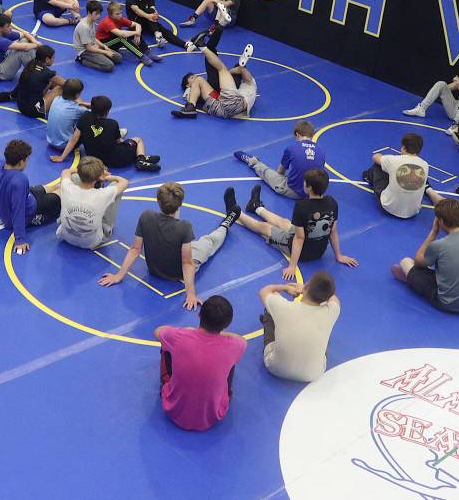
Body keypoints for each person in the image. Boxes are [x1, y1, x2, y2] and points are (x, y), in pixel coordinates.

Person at [99, 184, 241, 310]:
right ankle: (227, 222)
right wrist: (191, 294)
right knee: (209, 242)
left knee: (180, 236)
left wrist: (119, 275)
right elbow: (187, 263)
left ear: (158, 201)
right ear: (180, 204)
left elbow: (135, 249)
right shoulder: (184, 227)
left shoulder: (146, 216)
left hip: (154, 270)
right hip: (176, 273)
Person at [237, 170, 358, 280]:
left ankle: (236, 213)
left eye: (304, 183)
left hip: (303, 252)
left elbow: (299, 239)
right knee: (283, 222)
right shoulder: (331, 202)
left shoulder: (302, 206)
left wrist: (292, 266)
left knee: (264, 227)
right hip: (319, 250)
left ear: (309, 187)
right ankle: (256, 207)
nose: (303, 184)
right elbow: (333, 231)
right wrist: (339, 255)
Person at [153, 296, 246, 432]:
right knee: (230, 359)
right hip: (213, 415)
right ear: (226, 325)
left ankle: (167, 385)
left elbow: (157, 331)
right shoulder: (235, 344)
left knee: (166, 346)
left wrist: (187, 330)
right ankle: (227, 392)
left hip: (173, 410)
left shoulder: (179, 337)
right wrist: (224, 336)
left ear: (199, 315)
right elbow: (243, 341)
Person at [390, 199, 459, 313]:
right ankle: (415, 278)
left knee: (405, 262)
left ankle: (411, 279)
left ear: (440, 221)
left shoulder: (440, 245)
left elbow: (417, 261)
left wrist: (433, 232)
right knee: (444, 266)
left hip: (449, 303)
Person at [259, 272, 340, 382]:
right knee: (325, 328)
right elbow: (334, 299)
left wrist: (285, 287)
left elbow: (265, 291)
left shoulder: (284, 307)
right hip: (314, 374)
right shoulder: (332, 311)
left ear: (306, 287)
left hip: (276, 368)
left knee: (270, 309)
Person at [51, 95, 160, 172]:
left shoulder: (84, 118)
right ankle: (140, 159)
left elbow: (74, 139)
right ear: (107, 111)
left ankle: (141, 158)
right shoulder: (112, 124)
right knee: (138, 139)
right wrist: (127, 144)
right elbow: (118, 142)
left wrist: (62, 157)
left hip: (94, 157)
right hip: (115, 160)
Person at [234, 121, 325, 199]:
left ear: (297, 134)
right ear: (312, 134)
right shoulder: (321, 150)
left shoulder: (291, 148)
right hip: (314, 193)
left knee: (267, 172)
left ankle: (252, 161)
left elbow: (280, 172)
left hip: (295, 192)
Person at [171, 40, 257, 119]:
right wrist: (240, 68)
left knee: (222, 68)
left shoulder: (249, 85)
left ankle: (202, 47)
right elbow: (242, 77)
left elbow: (243, 77)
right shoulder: (249, 86)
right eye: (191, 77)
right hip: (220, 108)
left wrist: (241, 68)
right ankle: (190, 107)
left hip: (230, 104)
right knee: (202, 78)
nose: (195, 77)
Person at [55, 157, 129, 250]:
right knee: (115, 185)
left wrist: (81, 170)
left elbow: (66, 171)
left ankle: (62, 221)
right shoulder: (103, 195)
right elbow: (124, 182)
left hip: (65, 236)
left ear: (79, 171)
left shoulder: (67, 187)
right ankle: (106, 228)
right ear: (98, 178)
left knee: (73, 177)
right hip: (91, 243)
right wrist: (105, 177)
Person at [403, 61, 459, 132]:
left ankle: (457, 124)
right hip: (455, 109)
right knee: (441, 83)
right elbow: (445, 88)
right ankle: (421, 109)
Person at [361, 133, 429, 219]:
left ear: (403, 147)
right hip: (413, 211)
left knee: (378, 166)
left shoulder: (393, 160)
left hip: (389, 207)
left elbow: (375, 157)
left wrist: (382, 156)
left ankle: (367, 176)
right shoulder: (425, 165)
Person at [125, 0, 191, 49]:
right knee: (149, 12)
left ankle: (185, 44)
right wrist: (149, 16)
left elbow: (153, 9)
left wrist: (156, 15)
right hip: (136, 24)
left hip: (147, 22)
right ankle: (157, 34)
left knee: (164, 30)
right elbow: (137, 11)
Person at [96, 1, 156, 66]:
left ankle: (146, 51)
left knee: (133, 29)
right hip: (103, 44)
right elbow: (122, 34)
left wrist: (137, 33)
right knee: (122, 38)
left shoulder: (120, 18)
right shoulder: (107, 22)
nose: (120, 15)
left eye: (121, 13)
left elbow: (137, 25)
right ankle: (141, 56)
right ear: (110, 15)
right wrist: (136, 33)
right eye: (117, 14)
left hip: (113, 39)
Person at [0, 14, 39, 81]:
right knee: (24, 51)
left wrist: (34, 41)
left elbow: (24, 34)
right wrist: (38, 45)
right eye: (8, 26)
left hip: (2, 62)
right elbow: (24, 47)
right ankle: (37, 73)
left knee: (26, 40)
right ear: (0, 28)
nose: (11, 28)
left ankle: (36, 68)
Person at [72, 0, 123, 72]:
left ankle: (101, 56)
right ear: (89, 13)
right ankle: (82, 60)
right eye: (96, 14)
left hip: (92, 46)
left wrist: (103, 46)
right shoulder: (84, 26)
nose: (99, 16)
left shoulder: (92, 21)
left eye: (99, 14)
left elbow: (93, 37)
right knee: (109, 66)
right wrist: (105, 52)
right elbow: (88, 48)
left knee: (118, 58)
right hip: (84, 51)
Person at [14, 45, 64, 119]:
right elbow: (68, 84)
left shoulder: (30, 64)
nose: (54, 60)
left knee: (51, 82)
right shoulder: (47, 73)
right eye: (53, 58)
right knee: (62, 88)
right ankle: (80, 107)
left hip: (21, 106)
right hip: (33, 111)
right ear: (47, 59)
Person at [45, 78, 89, 149]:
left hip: (50, 140)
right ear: (77, 95)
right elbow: (96, 112)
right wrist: (86, 104)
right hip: (64, 146)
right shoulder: (77, 109)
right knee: (90, 120)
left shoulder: (56, 99)